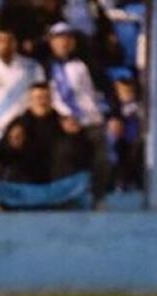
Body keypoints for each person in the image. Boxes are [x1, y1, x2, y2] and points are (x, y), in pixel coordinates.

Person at [46, 22, 109, 205]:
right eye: (58, 39)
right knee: (63, 157)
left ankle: (99, 197)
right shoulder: (45, 66)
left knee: (101, 159)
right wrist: (63, 117)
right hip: (61, 122)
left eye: (67, 38)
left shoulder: (87, 63)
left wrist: (112, 115)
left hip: (90, 119)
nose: (63, 43)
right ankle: (65, 198)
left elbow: (104, 88)